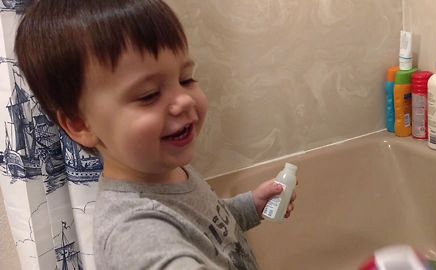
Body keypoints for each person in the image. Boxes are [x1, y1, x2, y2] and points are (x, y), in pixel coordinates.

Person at [14, 0, 297, 269]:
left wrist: (250, 207)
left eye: (186, 79)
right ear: (80, 125)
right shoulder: (133, 234)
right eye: (148, 95)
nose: (185, 100)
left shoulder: (169, 171)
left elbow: (207, 227)